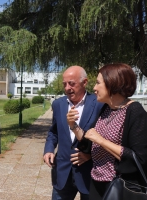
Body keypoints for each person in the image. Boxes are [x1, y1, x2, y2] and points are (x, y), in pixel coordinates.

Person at [68, 63, 147, 199]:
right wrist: (73, 125)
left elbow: (139, 158)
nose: (94, 88)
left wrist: (101, 140)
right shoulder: (106, 109)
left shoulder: (136, 113)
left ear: (113, 83)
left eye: (98, 83)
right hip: (97, 183)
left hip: (120, 186)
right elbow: (90, 141)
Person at [43, 66, 103, 200]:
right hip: (63, 172)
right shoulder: (58, 104)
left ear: (85, 82)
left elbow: (104, 138)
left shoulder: (99, 104)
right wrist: (48, 149)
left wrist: (90, 155)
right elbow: (54, 132)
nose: (67, 88)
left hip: (88, 173)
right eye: (64, 84)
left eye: (71, 83)